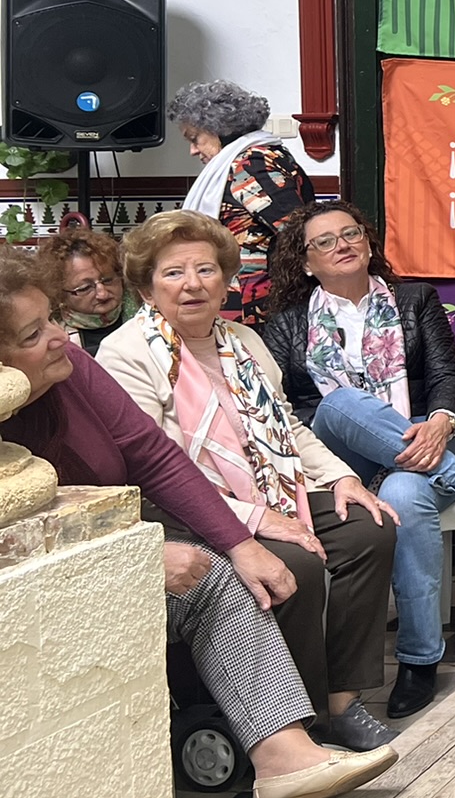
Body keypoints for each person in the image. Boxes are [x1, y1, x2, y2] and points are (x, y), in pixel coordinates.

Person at [0, 251, 396, 798]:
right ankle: (285, 748)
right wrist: (140, 557)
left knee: (261, 561)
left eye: (54, 318)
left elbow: (152, 456)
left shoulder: (73, 367)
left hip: (126, 542)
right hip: (52, 592)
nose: (61, 337)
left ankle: (290, 755)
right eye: (34, 335)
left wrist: (240, 542)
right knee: (235, 578)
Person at [97, 209, 401, 749]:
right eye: (173, 273)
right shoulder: (125, 354)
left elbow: (289, 426)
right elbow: (154, 469)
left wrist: (341, 477)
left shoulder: (244, 340)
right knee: (296, 564)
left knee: (369, 528)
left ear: (226, 281)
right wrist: (258, 519)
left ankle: (341, 699)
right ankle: (298, 726)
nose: (192, 284)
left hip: (272, 485)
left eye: (206, 270)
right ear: (146, 288)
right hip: (189, 509)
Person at [260, 202, 455, 718]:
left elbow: (449, 375)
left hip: (426, 445)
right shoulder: (287, 324)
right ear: (306, 262)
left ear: (368, 242)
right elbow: (281, 408)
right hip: (337, 459)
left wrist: (441, 421)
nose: (342, 245)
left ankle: (420, 660)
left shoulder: (415, 300)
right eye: (325, 241)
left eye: (351, 233)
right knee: (341, 403)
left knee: (404, 493)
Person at [166, 79, 319, 325]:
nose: (193, 151)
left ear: (218, 128)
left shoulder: (251, 164)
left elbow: (299, 231)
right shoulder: (256, 157)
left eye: (194, 138)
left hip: (255, 307)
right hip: (252, 301)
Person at [36, 224, 140, 353]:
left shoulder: (145, 315)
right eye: (85, 288)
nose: (102, 294)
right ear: (59, 294)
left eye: (108, 280)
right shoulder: (54, 340)